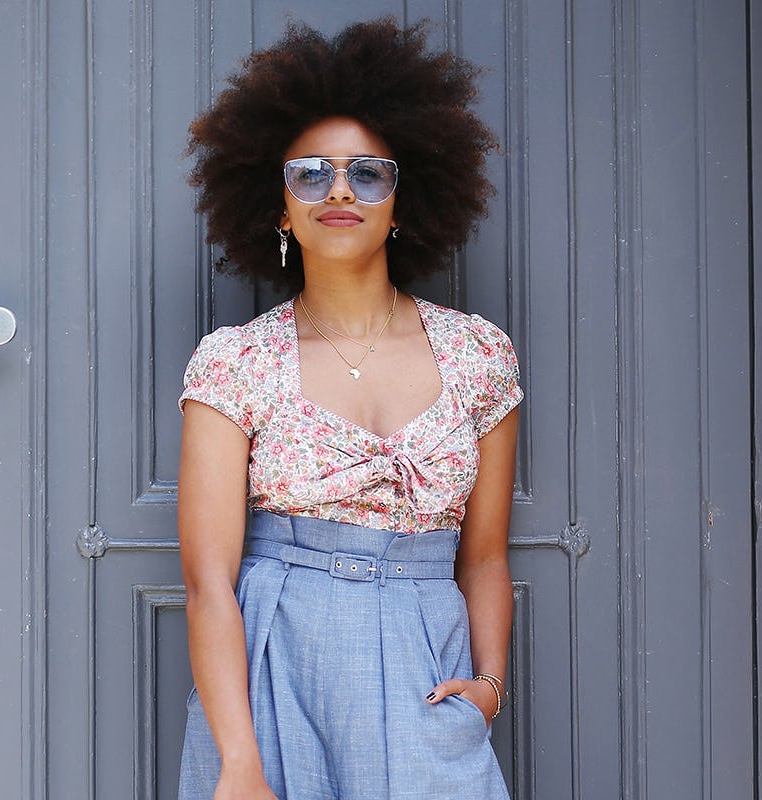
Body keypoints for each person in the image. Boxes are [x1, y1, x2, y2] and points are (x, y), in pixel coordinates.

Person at [176, 18, 522, 800]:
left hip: (424, 660)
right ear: (278, 208)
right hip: (278, 661)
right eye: (310, 174)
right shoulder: (236, 361)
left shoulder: (479, 356)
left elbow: (487, 555)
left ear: (403, 201)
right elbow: (208, 580)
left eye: (369, 173)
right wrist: (238, 760)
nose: (339, 190)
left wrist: (490, 686)